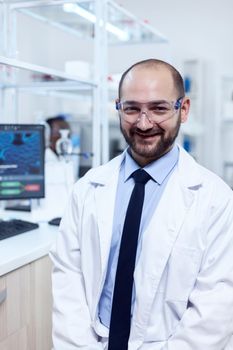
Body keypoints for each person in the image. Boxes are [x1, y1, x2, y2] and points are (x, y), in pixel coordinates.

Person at [50, 59, 233, 350]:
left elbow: (214, 309)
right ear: (118, 107)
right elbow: (68, 285)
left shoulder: (216, 200)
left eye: (159, 108)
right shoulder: (87, 189)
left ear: (182, 110)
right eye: (132, 108)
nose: (144, 123)